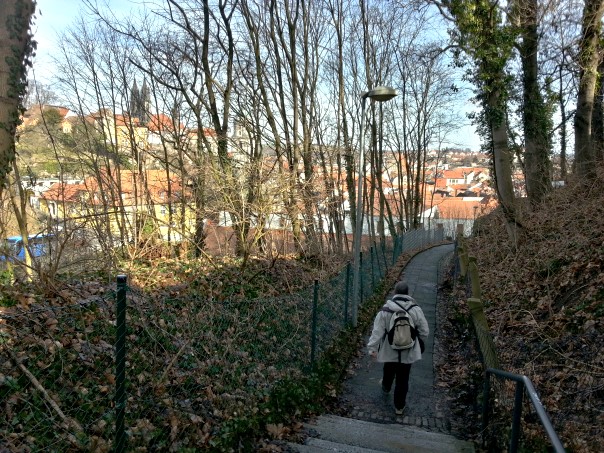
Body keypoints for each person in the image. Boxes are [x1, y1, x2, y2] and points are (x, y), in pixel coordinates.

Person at [367, 280, 429, 415]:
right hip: (408, 351)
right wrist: (417, 341)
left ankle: (386, 387)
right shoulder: (416, 310)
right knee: (403, 378)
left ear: (394, 293)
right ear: (408, 293)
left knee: (388, 368)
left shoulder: (386, 310)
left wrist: (372, 349)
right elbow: (425, 331)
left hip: (390, 349)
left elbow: (377, 332)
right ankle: (399, 407)